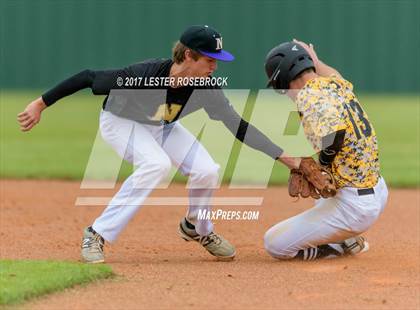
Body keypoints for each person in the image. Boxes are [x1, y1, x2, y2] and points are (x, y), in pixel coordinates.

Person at [18, 25, 302, 263]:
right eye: (210, 59)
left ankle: (197, 228)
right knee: (156, 164)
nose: (215, 67)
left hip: (161, 125)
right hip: (120, 122)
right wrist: (40, 104)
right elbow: (87, 76)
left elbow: (237, 126)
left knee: (208, 170)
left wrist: (287, 159)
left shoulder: (206, 88)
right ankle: (96, 234)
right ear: (188, 55)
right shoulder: (143, 76)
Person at [263, 39, 388, 260]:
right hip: (377, 192)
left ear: (284, 78)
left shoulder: (308, 95)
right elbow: (334, 74)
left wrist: (321, 165)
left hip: (354, 209)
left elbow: (336, 132)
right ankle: (346, 238)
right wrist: (317, 61)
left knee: (274, 244)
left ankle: (338, 246)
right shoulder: (334, 85)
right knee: (322, 190)